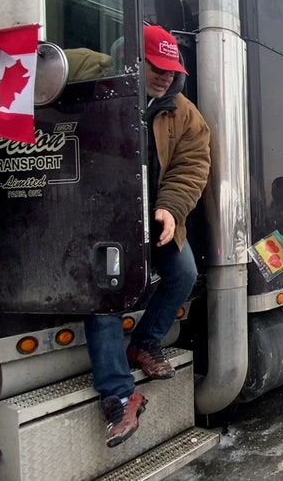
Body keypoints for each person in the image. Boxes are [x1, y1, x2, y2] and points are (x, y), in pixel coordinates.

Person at [84, 24, 211, 447]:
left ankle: (145, 342)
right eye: (155, 66)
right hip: (102, 217)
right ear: (131, 57)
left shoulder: (187, 114)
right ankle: (120, 396)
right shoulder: (93, 74)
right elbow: (39, 68)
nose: (163, 76)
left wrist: (170, 209)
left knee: (184, 273)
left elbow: (192, 167)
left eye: (170, 69)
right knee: (103, 298)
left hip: (154, 217)